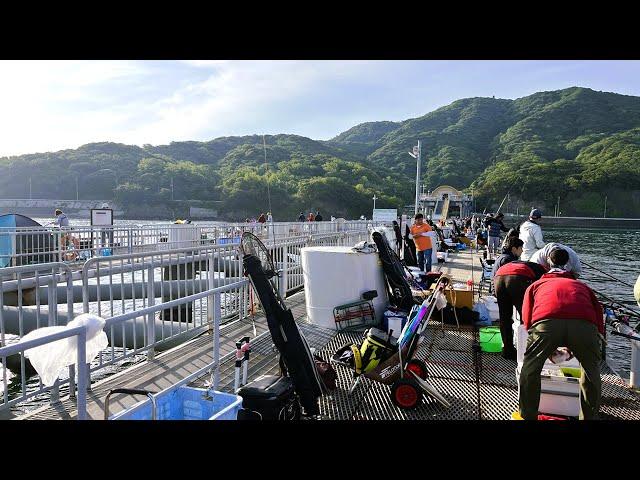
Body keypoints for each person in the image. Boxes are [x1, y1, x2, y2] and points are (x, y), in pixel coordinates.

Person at [519, 248, 604, 420]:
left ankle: (528, 415)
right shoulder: (582, 286)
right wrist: (596, 338)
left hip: (545, 325)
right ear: (569, 267)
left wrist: (540, 344)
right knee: (591, 372)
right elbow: (598, 314)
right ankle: (590, 417)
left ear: (546, 265)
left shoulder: (536, 285)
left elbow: (526, 318)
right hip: (585, 327)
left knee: (530, 370)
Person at [493, 255, 547, 360]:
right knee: (525, 317)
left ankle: (507, 351)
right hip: (518, 277)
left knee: (504, 317)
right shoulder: (544, 272)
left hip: (499, 277)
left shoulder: (531, 265)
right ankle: (526, 351)